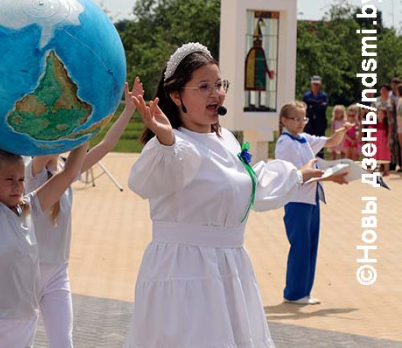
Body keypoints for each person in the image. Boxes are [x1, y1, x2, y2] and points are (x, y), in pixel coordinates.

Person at [123, 43, 339, 347]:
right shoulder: (172, 147)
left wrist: (299, 173)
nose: (216, 94)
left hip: (230, 268)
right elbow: (146, 180)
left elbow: (250, 184)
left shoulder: (225, 139)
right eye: (204, 87)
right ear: (175, 94)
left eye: (219, 85)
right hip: (185, 271)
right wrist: (167, 139)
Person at [0, 76, 88, 348]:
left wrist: (85, 128)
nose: (17, 186)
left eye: (20, 179)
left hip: (24, 322)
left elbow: (71, 172)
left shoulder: (29, 206)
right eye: (8, 180)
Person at [24, 77, 143, 348]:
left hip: (58, 274)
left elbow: (105, 146)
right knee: (21, 340)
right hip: (28, 271)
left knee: (64, 341)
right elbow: (49, 148)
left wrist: (128, 110)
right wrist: (77, 121)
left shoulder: (67, 171)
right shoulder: (33, 171)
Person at [275, 100, 350, 305]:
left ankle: (304, 292)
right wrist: (332, 177)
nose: (301, 123)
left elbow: (332, 142)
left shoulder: (303, 139)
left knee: (310, 245)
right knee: (300, 245)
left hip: (311, 198)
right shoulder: (286, 144)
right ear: (284, 120)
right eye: (296, 119)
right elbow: (301, 175)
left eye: (303, 118)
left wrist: (343, 129)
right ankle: (294, 293)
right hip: (297, 200)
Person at [303, 76, 328, 157]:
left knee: (320, 141)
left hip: (320, 123)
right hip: (309, 123)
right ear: (311, 84)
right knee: (309, 141)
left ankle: (320, 158)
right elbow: (306, 108)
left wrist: (312, 106)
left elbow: (324, 108)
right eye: (314, 84)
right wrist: (317, 106)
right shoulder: (306, 96)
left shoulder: (323, 96)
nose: (315, 86)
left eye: (317, 84)